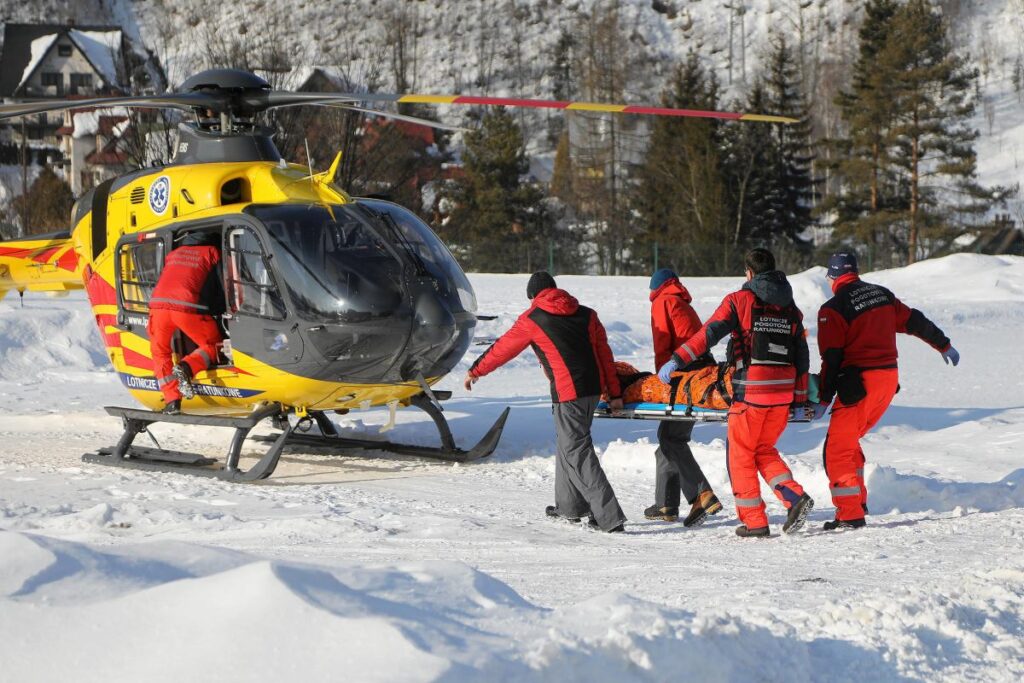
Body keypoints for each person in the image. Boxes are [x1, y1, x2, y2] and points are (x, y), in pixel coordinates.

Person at [657, 248, 814, 538]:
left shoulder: (739, 301)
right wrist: (800, 398)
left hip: (752, 392)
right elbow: (802, 355)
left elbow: (708, 334)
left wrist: (678, 359)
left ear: (749, 273)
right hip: (783, 393)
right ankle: (794, 497)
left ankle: (755, 522)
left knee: (740, 456)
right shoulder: (791, 308)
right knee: (763, 450)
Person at [464, 271, 628, 533]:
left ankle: (608, 516)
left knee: (576, 449)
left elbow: (504, 348)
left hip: (568, 393)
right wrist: (615, 393)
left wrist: (476, 370)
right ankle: (569, 507)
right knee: (568, 444)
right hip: (592, 390)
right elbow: (604, 355)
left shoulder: (533, 318)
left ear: (533, 296)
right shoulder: (587, 314)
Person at [814, 252, 959, 530]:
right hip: (888, 380)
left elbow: (831, 358)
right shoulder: (882, 295)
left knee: (837, 449)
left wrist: (823, 398)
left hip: (859, 384)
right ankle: (858, 502)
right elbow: (914, 321)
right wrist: (943, 344)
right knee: (849, 439)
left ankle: (850, 514)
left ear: (832, 276)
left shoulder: (833, 308)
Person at [645, 268, 723, 527]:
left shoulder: (662, 301)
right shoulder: (681, 301)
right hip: (701, 371)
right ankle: (666, 504)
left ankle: (702, 494)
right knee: (667, 441)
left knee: (671, 438)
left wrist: (661, 379)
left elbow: (662, 341)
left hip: (685, 374)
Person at [148, 231, 224, 414]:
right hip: (185, 307)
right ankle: (187, 367)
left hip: (157, 306)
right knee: (213, 345)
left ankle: (172, 401)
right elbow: (223, 286)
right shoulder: (212, 252)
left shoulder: (173, 254)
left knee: (160, 353)